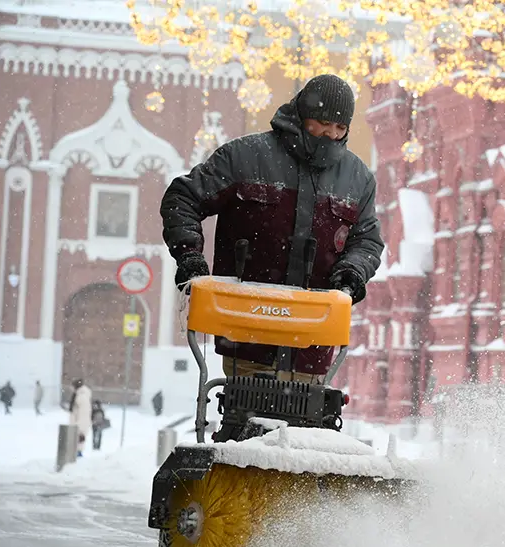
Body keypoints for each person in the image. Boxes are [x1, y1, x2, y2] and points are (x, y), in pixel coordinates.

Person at [161, 74, 384, 383]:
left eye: (340, 127)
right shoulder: (245, 157)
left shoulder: (357, 178)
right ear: (302, 115)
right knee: (247, 409)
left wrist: (352, 272)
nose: (331, 134)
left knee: (306, 414)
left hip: (313, 339)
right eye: (323, 123)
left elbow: (367, 240)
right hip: (244, 329)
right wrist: (189, 255)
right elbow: (183, 198)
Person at [68, 378, 92, 457]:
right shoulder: (77, 395)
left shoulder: (82, 397)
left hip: (79, 426)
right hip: (76, 425)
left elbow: (84, 414)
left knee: (78, 445)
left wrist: (80, 429)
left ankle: (78, 455)